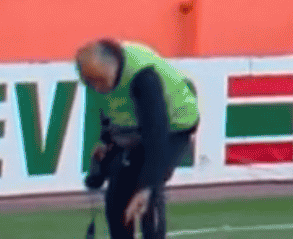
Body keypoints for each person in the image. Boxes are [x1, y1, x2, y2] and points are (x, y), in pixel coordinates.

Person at [76, 39, 200, 239]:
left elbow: (156, 135)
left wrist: (146, 187)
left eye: (100, 81)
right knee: (116, 198)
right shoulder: (99, 79)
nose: (97, 88)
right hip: (134, 129)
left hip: (175, 126)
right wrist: (105, 142)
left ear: (113, 67)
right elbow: (108, 112)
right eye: (91, 83)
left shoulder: (143, 77)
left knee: (147, 193)